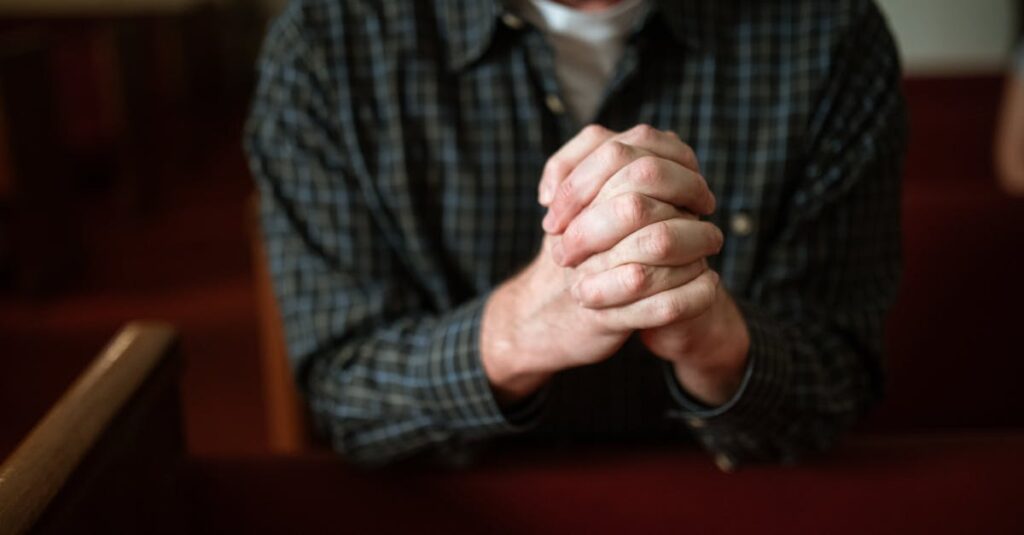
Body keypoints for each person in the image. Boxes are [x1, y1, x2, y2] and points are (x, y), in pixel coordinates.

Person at [245, 0, 907, 470]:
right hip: (458, 502)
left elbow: (841, 379)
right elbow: (341, 395)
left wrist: (719, 346)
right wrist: (513, 333)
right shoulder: (329, 45)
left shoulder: (831, 32)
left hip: (735, 496)